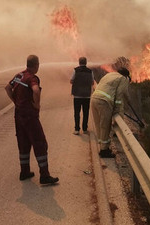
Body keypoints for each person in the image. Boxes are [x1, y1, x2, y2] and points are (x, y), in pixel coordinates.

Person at [5, 55, 59, 185]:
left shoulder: (19, 75)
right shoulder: (32, 78)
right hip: (30, 116)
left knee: (23, 144)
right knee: (40, 143)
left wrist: (15, 101)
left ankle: (24, 172)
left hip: (18, 115)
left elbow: (7, 88)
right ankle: (45, 176)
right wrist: (37, 104)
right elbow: (35, 90)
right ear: (36, 65)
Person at [91, 56, 131, 158]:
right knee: (105, 126)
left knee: (99, 126)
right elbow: (120, 95)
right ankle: (104, 151)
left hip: (94, 99)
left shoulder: (109, 75)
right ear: (126, 76)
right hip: (104, 102)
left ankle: (102, 146)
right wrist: (118, 110)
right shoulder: (123, 79)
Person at [70, 56, 94, 135]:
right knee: (86, 112)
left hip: (77, 95)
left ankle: (77, 129)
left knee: (77, 113)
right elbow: (92, 82)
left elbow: (71, 80)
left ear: (79, 62)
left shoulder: (75, 70)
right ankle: (85, 129)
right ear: (86, 62)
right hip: (87, 96)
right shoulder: (90, 71)